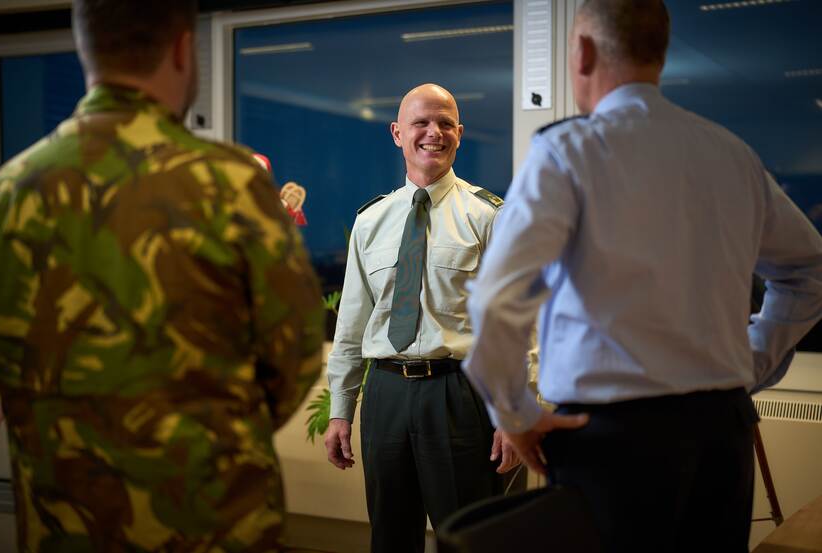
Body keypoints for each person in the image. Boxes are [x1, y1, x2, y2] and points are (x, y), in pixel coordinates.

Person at [462, 0, 822, 551]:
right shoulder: (733, 156)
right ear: (659, 53)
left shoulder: (568, 152)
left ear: (581, 51)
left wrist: (514, 412)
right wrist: (753, 361)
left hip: (610, 445)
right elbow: (809, 268)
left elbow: (498, 298)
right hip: (722, 435)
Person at [0, 1, 324, 551]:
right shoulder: (230, 182)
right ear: (181, 50)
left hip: (63, 523)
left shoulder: (11, 189)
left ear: (85, 50)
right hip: (209, 519)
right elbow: (296, 354)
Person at [324, 83, 520, 553]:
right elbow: (352, 325)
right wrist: (339, 410)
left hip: (460, 395)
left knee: (470, 537)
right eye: (421, 123)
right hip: (386, 394)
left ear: (460, 134)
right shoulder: (371, 221)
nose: (434, 133)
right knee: (390, 536)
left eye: (445, 123)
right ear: (397, 133)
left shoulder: (489, 217)